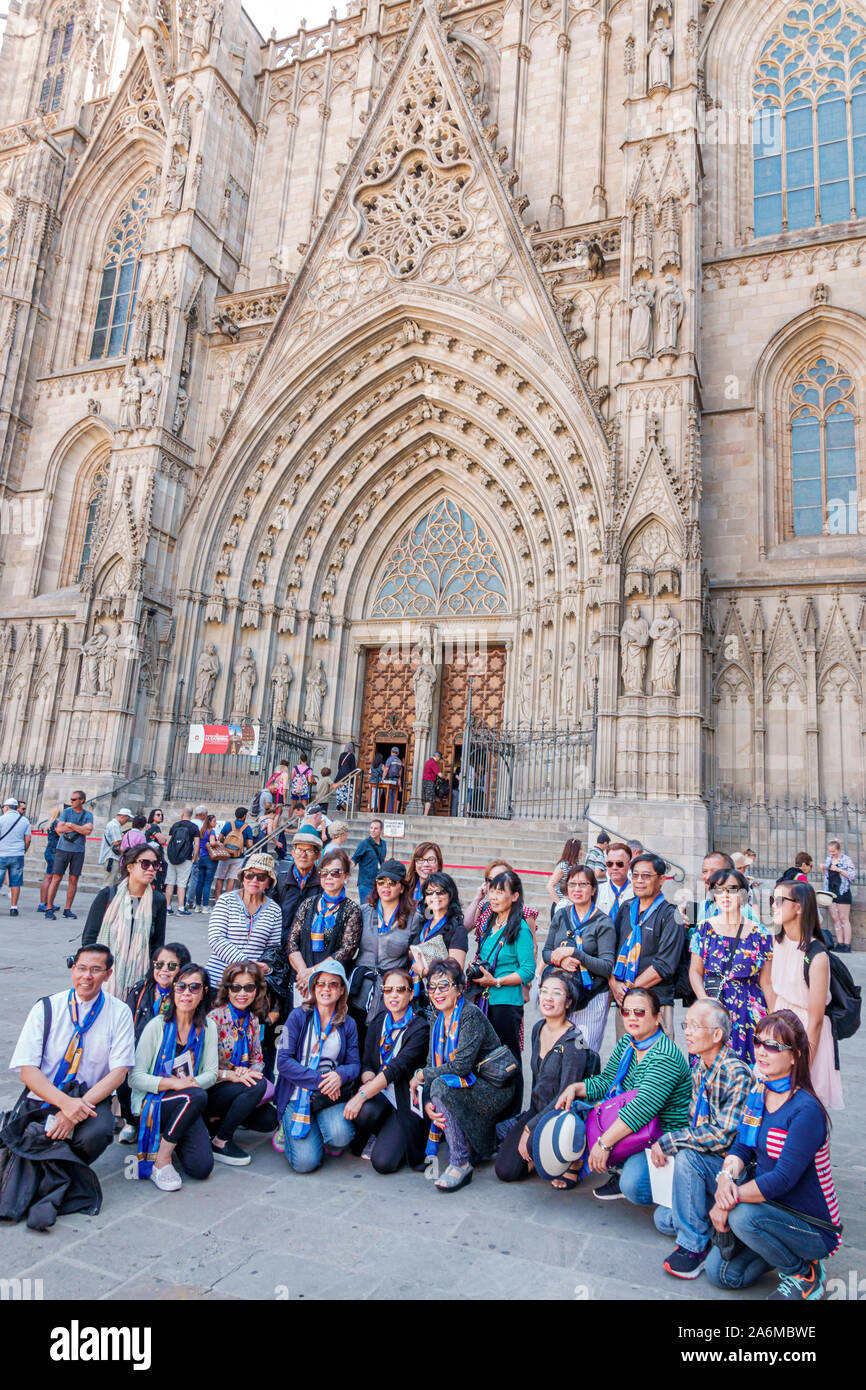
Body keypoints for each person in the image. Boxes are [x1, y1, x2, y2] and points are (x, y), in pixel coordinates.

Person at [706, 1009, 841, 1300]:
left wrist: (730, 1199)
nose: (761, 1052)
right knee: (721, 1273)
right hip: (771, 1211)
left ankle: (805, 1274)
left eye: (773, 1046)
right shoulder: (760, 1091)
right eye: (758, 1042)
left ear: (794, 1056)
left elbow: (782, 1179)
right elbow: (742, 1146)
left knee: (741, 1216)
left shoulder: (806, 1111)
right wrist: (725, 1178)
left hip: (812, 1225)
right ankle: (779, 1250)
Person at [7, 944, 136, 1225]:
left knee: (97, 1133)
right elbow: (28, 1071)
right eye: (81, 968)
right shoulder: (47, 1007)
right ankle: (57, 1183)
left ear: (108, 974)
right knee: (36, 1131)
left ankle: (43, 1180)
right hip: (46, 1093)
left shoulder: (119, 1012)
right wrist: (64, 1105)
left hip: (90, 1094)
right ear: (72, 969)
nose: (86, 976)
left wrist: (73, 1111)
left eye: (95, 970)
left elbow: (119, 1072)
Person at [645, 998, 753, 1279]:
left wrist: (671, 1141)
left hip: (731, 1171)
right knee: (662, 1219)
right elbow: (695, 1123)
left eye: (694, 1026)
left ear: (717, 1035)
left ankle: (694, 1247)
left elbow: (722, 1137)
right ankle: (701, 1222)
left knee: (688, 1157)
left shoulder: (736, 1073)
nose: (687, 1032)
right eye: (686, 1025)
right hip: (708, 1166)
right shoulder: (700, 1068)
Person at [553, 986, 691, 1199]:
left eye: (640, 1012)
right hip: (635, 1124)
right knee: (573, 1105)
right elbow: (608, 1080)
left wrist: (604, 1142)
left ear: (657, 1017)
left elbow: (641, 1109)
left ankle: (676, 1192)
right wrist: (576, 1088)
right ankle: (620, 1160)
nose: (631, 1017)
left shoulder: (664, 1055)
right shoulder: (629, 1042)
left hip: (660, 1136)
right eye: (626, 1011)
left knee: (632, 1184)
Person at [409, 959, 516, 1192]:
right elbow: (431, 1062)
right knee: (437, 1087)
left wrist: (420, 1076)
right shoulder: (436, 1018)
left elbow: (460, 1068)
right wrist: (427, 1101)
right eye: (432, 987)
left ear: (459, 989)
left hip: (492, 1087)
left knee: (439, 1086)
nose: (437, 993)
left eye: (444, 985)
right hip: (465, 1085)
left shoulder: (470, 1014)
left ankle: (460, 1163)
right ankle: (510, 1128)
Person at [495, 967, 599, 1186]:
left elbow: (565, 1097)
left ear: (569, 1002)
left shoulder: (574, 1043)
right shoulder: (538, 1028)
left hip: (561, 1115)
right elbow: (537, 1082)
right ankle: (540, 1155)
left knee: (514, 1163)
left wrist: (528, 1128)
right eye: (544, 991)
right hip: (537, 1109)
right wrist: (529, 1122)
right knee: (503, 1166)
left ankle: (571, 1160)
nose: (548, 998)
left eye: (557, 993)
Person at [130, 962, 218, 1190]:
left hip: (187, 1100)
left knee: (202, 1168)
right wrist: (175, 1084)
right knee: (196, 1096)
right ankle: (162, 1160)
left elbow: (211, 1072)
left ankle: (170, 1136)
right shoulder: (156, 1026)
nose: (187, 993)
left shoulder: (208, 1027)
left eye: (194, 987)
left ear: (204, 992)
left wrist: (188, 1085)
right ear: (173, 990)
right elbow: (135, 1078)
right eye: (181, 987)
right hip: (154, 1102)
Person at [274, 959, 360, 1171]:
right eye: (321, 983)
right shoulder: (297, 1016)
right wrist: (319, 1081)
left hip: (327, 1096)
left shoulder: (348, 1023)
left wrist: (340, 1075)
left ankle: (318, 1131)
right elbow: (283, 1062)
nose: (326, 989)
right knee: (305, 1163)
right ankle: (287, 1127)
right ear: (313, 987)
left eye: (333, 984)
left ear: (342, 990)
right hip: (297, 1091)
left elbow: (354, 1064)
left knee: (341, 1136)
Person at [344, 967, 430, 1172]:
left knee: (383, 1163)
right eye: (388, 990)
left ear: (411, 994)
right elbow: (366, 1063)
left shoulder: (419, 1029)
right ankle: (380, 1131)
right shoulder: (378, 1021)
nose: (393, 995)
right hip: (381, 1093)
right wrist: (368, 1077)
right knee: (364, 1113)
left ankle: (399, 1134)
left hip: (404, 1100)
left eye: (400, 990)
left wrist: (361, 1096)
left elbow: (394, 1069)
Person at [768, 879, 843, 1110]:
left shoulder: (817, 956)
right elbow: (772, 990)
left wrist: (803, 1068)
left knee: (804, 1108)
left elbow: (816, 1020)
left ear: (799, 907)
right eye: (773, 900)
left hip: (807, 1038)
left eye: (780, 901)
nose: (773, 906)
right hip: (780, 1031)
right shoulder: (776, 942)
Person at [689, 868, 772, 1063]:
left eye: (732, 889)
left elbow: (767, 982)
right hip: (713, 1005)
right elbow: (695, 971)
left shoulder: (760, 933)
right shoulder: (704, 928)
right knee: (709, 1066)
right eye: (719, 890)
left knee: (746, 1069)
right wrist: (706, 1002)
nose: (725, 895)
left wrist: (774, 1020)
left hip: (749, 1010)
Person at [468, 870, 536, 1103]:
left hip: (506, 1002)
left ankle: (513, 1110)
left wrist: (496, 981)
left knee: (508, 1058)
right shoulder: (491, 922)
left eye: (500, 892)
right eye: (492, 891)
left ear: (515, 896)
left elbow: (528, 970)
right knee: (487, 1056)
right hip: (485, 999)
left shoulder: (521, 929)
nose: (494, 897)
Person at [117, 942, 192, 1142]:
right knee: (122, 1077)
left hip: (174, 1056)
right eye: (159, 965)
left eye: (171, 966)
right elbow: (125, 1026)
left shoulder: (187, 993)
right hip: (141, 1053)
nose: (164, 970)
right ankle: (132, 1121)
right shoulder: (140, 990)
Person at [609, 852, 684, 1041]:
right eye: (635, 875)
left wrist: (629, 989)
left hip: (655, 1002)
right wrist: (613, 982)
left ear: (661, 880)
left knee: (656, 1062)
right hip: (625, 1004)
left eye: (646, 876)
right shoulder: (626, 908)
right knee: (626, 1057)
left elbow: (664, 965)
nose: (639, 881)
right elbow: (611, 950)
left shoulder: (670, 915)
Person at [542, 864, 616, 1052]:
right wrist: (561, 960)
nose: (576, 889)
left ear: (593, 889)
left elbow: (607, 966)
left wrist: (575, 954)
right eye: (572, 884)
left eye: (582, 884)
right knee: (557, 1052)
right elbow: (546, 952)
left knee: (583, 1051)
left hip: (591, 997)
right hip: (561, 996)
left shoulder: (603, 922)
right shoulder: (561, 915)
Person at [81, 844, 167, 999]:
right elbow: (89, 938)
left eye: (155, 864)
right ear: (130, 867)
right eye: (145, 863)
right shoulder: (107, 896)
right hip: (104, 976)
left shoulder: (158, 900)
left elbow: (157, 945)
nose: (151, 869)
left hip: (140, 979)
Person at [207, 962, 272, 1164]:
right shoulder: (214, 1019)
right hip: (214, 1087)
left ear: (257, 990)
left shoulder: (252, 1019)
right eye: (236, 987)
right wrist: (232, 1075)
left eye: (249, 987)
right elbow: (202, 1069)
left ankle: (219, 1122)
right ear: (227, 989)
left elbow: (258, 1059)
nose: (242, 993)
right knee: (258, 1086)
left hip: (239, 1084)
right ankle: (220, 1140)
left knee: (270, 1119)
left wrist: (248, 1072)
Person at [288, 848, 362, 1004]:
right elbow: (292, 942)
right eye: (324, 872)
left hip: (331, 983)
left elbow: (347, 950)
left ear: (346, 876)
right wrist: (304, 972)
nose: (329, 877)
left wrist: (315, 972)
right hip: (301, 980)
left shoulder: (352, 910)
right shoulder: (308, 904)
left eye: (335, 873)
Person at [350, 858, 413, 1033]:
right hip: (359, 991)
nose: (386, 886)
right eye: (381, 881)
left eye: (392, 882)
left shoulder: (414, 918)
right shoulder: (363, 912)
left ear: (402, 887)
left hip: (392, 994)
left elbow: (420, 954)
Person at [206, 852, 283, 988]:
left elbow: (273, 949)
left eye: (261, 877)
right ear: (243, 877)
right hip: (218, 979)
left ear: (268, 882)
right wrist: (246, 963)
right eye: (249, 875)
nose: (254, 880)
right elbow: (216, 938)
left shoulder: (275, 910)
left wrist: (267, 967)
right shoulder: (226, 900)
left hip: (249, 985)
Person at [44, 790, 93, 920]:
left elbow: (88, 831)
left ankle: (67, 909)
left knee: (73, 880)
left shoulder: (88, 814)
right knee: (56, 878)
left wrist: (70, 825)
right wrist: (79, 828)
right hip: (63, 849)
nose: (71, 801)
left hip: (78, 850)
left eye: (73, 799)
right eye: (71, 799)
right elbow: (59, 829)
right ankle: (48, 908)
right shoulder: (66, 812)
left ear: (81, 800)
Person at [411, 871, 469, 977]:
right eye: (429, 892)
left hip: (440, 990)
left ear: (450, 895)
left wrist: (423, 972)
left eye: (440, 892)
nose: (434, 896)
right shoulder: (422, 923)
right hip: (419, 988)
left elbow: (455, 973)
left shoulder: (457, 930)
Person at [278, 827, 323, 934]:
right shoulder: (280, 880)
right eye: (299, 850)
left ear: (318, 856)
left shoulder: (323, 884)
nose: (303, 855)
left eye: (309, 851)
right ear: (293, 853)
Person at [464, 858, 514, 944]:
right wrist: (477, 899)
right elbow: (464, 928)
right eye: (490, 880)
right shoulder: (483, 908)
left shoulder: (523, 913)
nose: (494, 884)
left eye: (500, 879)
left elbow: (532, 950)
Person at [0, 794, 31, 916]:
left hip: (2, 853)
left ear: (7, 808)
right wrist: (24, 850)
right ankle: (13, 907)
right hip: (17, 854)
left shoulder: (1, 819)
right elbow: (28, 839)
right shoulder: (24, 821)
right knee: (16, 882)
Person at [164, 806, 199, 915]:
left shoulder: (175, 825)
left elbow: (168, 842)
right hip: (186, 858)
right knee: (181, 884)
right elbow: (196, 844)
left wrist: (168, 856)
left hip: (172, 858)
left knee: (170, 883)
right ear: (191, 814)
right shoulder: (194, 827)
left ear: (182, 813)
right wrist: (194, 857)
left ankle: (168, 907)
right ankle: (181, 908)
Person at [214, 806, 254, 899]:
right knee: (231, 879)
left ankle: (217, 900)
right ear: (244, 816)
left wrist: (226, 843)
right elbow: (250, 845)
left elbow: (219, 838)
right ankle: (227, 901)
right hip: (238, 856)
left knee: (220, 878)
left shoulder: (229, 824)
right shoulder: (247, 828)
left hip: (225, 855)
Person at [824, 838, 856, 953]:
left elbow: (852, 876)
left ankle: (847, 945)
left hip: (843, 891)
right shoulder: (829, 860)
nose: (832, 853)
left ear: (838, 850)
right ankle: (840, 943)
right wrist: (823, 869)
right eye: (830, 851)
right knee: (835, 918)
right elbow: (827, 876)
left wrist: (839, 869)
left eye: (834, 851)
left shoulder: (846, 860)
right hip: (831, 892)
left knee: (843, 918)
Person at [405, 840, 444, 928]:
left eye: (431, 860)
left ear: (439, 864)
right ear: (414, 864)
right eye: (420, 860)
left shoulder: (445, 892)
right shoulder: (405, 889)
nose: (426, 864)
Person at [596, 842, 634, 919]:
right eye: (610, 863)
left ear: (629, 865)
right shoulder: (597, 891)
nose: (614, 868)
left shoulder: (637, 892)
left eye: (619, 864)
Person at [189, 812, 219, 912]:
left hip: (200, 857)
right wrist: (218, 842)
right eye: (214, 821)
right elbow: (212, 843)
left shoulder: (201, 831)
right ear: (210, 822)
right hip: (209, 858)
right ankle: (205, 906)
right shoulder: (212, 832)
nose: (215, 823)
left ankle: (197, 905)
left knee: (199, 882)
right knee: (207, 883)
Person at [352, 818, 386, 902]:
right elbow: (354, 860)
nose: (373, 830)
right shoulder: (364, 843)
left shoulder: (383, 843)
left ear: (381, 830)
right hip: (365, 883)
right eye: (371, 828)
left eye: (376, 828)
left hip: (378, 882)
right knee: (366, 908)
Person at [98, 807, 132, 887]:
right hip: (111, 858)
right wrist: (125, 836)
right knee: (108, 884)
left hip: (112, 858)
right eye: (126, 820)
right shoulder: (114, 826)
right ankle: (102, 899)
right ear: (123, 816)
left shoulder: (114, 825)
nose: (126, 822)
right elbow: (116, 842)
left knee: (111, 883)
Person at [546, 837, 583, 911]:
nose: (582, 851)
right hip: (562, 907)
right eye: (580, 849)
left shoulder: (577, 864)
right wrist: (560, 904)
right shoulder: (563, 866)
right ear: (574, 851)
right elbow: (550, 886)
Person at [37, 804, 63, 913]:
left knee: (49, 877)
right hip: (54, 852)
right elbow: (62, 835)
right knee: (50, 877)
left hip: (50, 850)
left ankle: (47, 902)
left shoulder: (52, 822)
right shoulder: (57, 823)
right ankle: (44, 903)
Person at [145, 808, 168, 891]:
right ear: (152, 816)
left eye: (161, 815)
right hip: (155, 856)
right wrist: (164, 839)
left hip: (155, 855)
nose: (160, 816)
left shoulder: (153, 826)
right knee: (158, 878)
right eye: (158, 815)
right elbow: (162, 840)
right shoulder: (153, 826)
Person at [382, 746, 403, 814]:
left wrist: (382, 778)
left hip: (388, 780)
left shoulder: (390, 759)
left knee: (388, 797)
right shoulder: (399, 761)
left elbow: (386, 769)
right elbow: (400, 775)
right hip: (396, 781)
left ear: (391, 752)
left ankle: (388, 812)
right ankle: (393, 811)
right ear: (398, 753)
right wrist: (400, 786)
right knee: (394, 797)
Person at [335, 742, 356, 811]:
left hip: (339, 777)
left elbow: (339, 766)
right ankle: (344, 806)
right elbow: (353, 768)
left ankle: (340, 807)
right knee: (347, 794)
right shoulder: (351, 756)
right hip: (348, 778)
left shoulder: (341, 755)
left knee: (340, 793)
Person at [422, 751, 442, 816]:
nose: (439, 760)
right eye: (439, 758)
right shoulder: (432, 763)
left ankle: (427, 813)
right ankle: (425, 815)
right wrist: (446, 777)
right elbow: (439, 774)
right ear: (437, 757)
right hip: (429, 782)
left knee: (429, 797)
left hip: (425, 781)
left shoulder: (428, 761)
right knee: (429, 798)